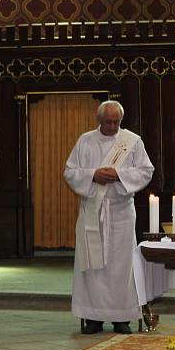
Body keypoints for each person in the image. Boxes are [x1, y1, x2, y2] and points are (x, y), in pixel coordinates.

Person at [64, 100, 154, 335]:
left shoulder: (131, 141)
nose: (113, 125)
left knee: (121, 266)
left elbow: (146, 170)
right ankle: (93, 316)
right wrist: (93, 175)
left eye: (116, 122)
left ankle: (121, 317)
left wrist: (119, 175)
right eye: (108, 122)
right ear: (99, 120)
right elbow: (70, 172)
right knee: (92, 264)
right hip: (92, 209)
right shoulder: (86, 140)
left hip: (121, 211)